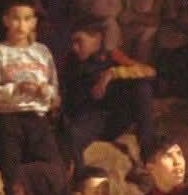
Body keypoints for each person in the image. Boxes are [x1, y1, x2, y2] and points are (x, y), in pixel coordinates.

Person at [0, 0, 62, 180]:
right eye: (16, 18)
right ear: (6, 20)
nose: (21, 25)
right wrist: (15, 89)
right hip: (10, 118)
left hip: (38, 118)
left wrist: (46, 91)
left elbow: (54, 90)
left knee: (53, 170)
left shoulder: (42, 52)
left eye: (27, 19)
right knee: (12, 172)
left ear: (34, 22)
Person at [61, 17, 156, 165]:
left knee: (141, 87)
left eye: (79, 41)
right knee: (73, 136)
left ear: (97, 38)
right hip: (89, 117)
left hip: (114, 116)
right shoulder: (70, 62)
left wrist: (111, 73)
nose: (75, 47)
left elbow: (148, 71)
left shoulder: (111, 56)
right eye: (73, 42)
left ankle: (148, 154)